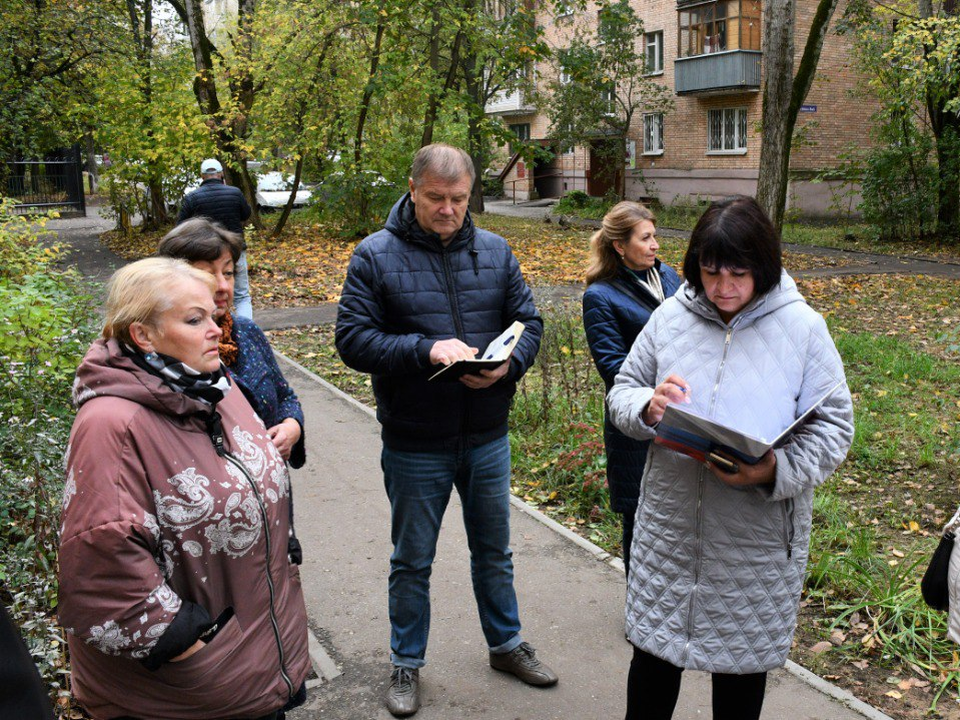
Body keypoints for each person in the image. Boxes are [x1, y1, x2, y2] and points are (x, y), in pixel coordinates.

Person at [606, 196, 854, 720]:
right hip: (670, 531)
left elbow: (834, 428)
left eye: (738, 273)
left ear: (763, 266)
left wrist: (773, 470)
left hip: (754, 544)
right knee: (651, 670)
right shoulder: (672, 315)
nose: (722, 287)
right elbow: (623, 389)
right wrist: (647, 408)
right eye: (710, 270)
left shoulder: (804, 328)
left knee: (739, 682)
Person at [335, 143, 556, 717]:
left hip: (487, 434)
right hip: (415, 439)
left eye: (459, 199)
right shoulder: (375, 256)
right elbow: (352, 340)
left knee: (494, 551)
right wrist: (423, 348)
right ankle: (406, 663)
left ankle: (506, 645)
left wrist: (512, 363)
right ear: (412, 189)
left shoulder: (496, 250)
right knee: (412, 558)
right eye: (436, 198)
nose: (448, 210)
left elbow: (528, 321)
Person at [58, 258, 309, 720]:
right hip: (185, 693)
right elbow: (100, 561)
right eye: (195, 320)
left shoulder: (216, 387)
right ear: (143, 336)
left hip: (256, 660)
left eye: (213, 316)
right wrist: (183, 641)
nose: (216, 329)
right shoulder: (110, 424)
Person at [581, 202, 681, 579]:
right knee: (638, 517)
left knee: (675, 515)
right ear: (620, 246)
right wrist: (658, 390)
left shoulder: (669, 276)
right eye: (646, 238)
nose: (655, 245)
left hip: (681, 415)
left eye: (655, 236)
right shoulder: (601, 297)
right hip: (635, 420)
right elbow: (613, 367)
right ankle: (639, 607)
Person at [158, 218, 305, 470]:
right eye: (206, 274)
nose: (223, 286)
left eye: (227, 272)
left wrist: (292, 426)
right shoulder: (166, 346)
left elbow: (285, 395)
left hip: (268, 489)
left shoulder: (247, 331)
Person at [177, 159, 253, 319]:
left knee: (207, 293)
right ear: (221, 174)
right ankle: (246, 330)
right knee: (242, 295)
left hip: (205, 256)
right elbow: (246, 214)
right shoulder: (235, 193)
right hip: (235, 250)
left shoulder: (192, 198)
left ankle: (211, 328)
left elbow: (180, 227)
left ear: (202, 176)